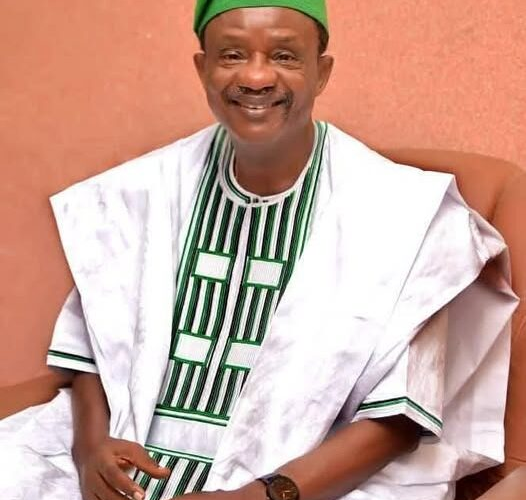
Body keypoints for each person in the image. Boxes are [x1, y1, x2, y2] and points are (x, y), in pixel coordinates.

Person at [0, 1, 518, 500]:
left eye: (284, 56)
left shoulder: (403, 213)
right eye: (232, 55)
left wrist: (262, 495)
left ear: (322, 72)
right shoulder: (141, 192)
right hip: (131, 460)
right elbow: (95, 346)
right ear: (203, 69)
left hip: (305, 478)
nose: (255, 77)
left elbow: (397, 419)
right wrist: (91, 451)